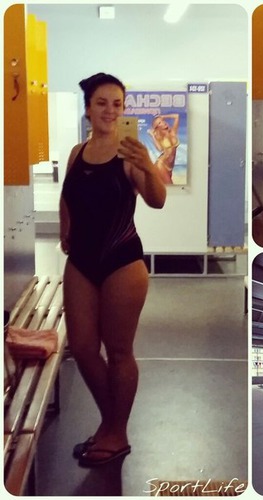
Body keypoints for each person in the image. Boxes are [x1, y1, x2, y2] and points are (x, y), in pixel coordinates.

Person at [59, 73, 166, 467]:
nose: (110, 110)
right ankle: (111, 424)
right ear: (88, 107)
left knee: (119, 351)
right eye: (102, 103)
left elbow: (157, 201)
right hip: (81, 261)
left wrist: (148, 167)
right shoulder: (77, 152)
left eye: (117, 104)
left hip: (122, 261)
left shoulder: (129, 153)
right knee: (83, 348)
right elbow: (68, 196)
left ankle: (116, 434)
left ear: (124, 109)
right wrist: (66, 229)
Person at [148, 113, 180, 184]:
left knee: (165, 187)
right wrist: (153, 136)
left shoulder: (173, 132)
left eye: (162, 120)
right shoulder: (160, 138)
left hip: (170, 167)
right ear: (157, 127)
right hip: (162, 165)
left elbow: (176, 116)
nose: (163, 122)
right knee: (170, 187)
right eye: (159, 123)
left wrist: (163, 116)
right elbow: (160, 149)